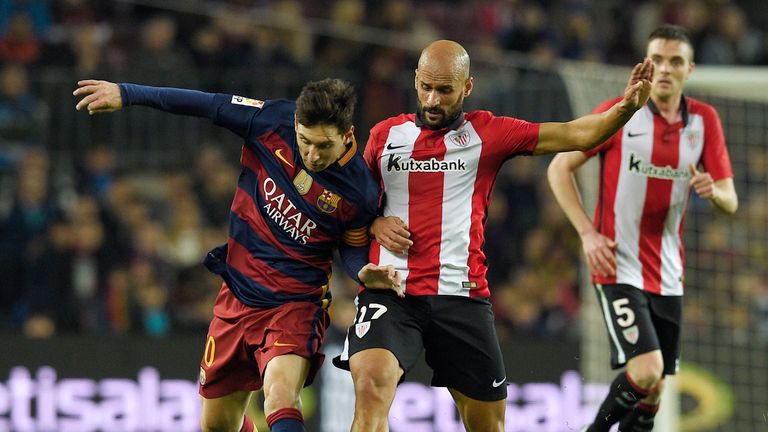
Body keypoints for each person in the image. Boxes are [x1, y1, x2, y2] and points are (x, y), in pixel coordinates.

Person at [331, 39, 654, 432]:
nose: (432, 100)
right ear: (415, 79)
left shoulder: (490, 132)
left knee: (488, 426)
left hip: (461, 297)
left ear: (467, 87)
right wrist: (375, 224)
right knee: (370, 389)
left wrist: (626, 108)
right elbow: (355, 208)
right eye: (426, 87)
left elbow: (577, 134)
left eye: (445, 90)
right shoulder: (384, 135)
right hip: (391, 294)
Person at [74, 78, 402, 432]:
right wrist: (127, 93)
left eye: (324, 145)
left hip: (295, 305)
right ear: (295, 123)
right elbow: (206, 104)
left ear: (347, 135)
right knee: (217, 424)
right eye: (305, 141)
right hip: (237, 296)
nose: (312, 155)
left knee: (279, 395)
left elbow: (351, 248)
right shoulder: (270, 121)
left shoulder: (360, 190)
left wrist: (362, 271)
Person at [547, 25, 738, 432]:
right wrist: (587, 234)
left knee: (654, 390)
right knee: (647, 370)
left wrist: (715, 192)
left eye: (675, 61)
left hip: (668, 270)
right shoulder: (620, 112)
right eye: (658, 60)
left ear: (690, 69)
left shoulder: (703, 121)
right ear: (647, 63)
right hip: (617, 262)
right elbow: (559, 167)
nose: (665, 69)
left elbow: (730, 199)